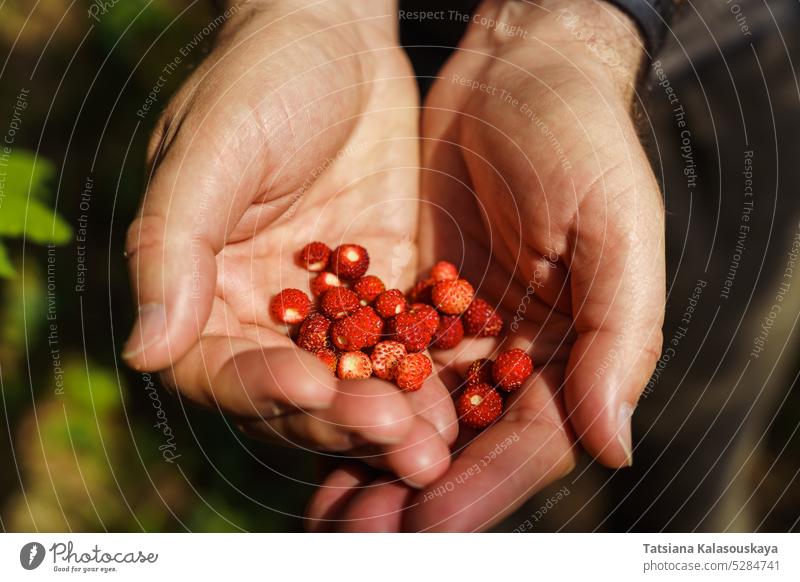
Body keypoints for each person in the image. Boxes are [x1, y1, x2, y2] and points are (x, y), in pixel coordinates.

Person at [122, 0, 668, 531]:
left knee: (684, 410)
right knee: (487, 470)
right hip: (394, 48)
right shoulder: (370, 316)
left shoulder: (410, 319)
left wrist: (572, 32)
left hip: (708, 48)